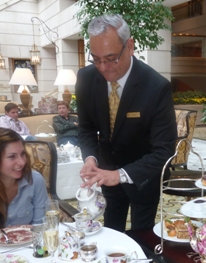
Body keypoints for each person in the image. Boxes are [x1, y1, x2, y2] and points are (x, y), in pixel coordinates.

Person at [76, 14, 177, 232]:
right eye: (96, 58)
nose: (103, 67)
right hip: (106, 172)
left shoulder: (156, 87)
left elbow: (164, 151)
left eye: (111, 58)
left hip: (144, 178)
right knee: (111, 232)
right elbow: (85, 128)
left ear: (129, 46)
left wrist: (120, 175)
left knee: (142, 239)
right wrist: (91, 157)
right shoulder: (86, 78)